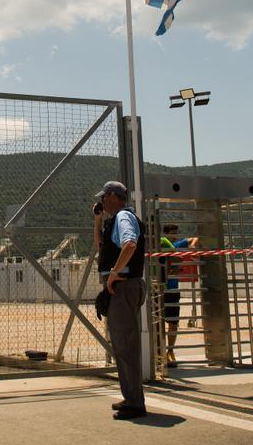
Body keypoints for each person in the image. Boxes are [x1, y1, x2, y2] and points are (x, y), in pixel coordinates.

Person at [94, 180, 147, 420]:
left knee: (126, 345)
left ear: (115, 196)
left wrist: (114, 274)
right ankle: (130, 396)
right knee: (122, 344)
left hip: (123, 287)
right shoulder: (113, 221)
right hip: (120, 287)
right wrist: (97, 222)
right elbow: (101, 247)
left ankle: (135, 403)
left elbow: (130, 244)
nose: (102, 201)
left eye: (105, 197)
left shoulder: (124, 218)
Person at [158, 223, 192, 368]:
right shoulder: (161, 244)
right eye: (173, 232)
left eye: (177, 232)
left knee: (172, 323)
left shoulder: (173, 245)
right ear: (165, 233)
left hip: (171, 289)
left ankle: (169, 352)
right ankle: (161, 353)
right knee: (160, 323)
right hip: (162, 289)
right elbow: (174, 260)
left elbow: (192, 241)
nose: (176, 235)